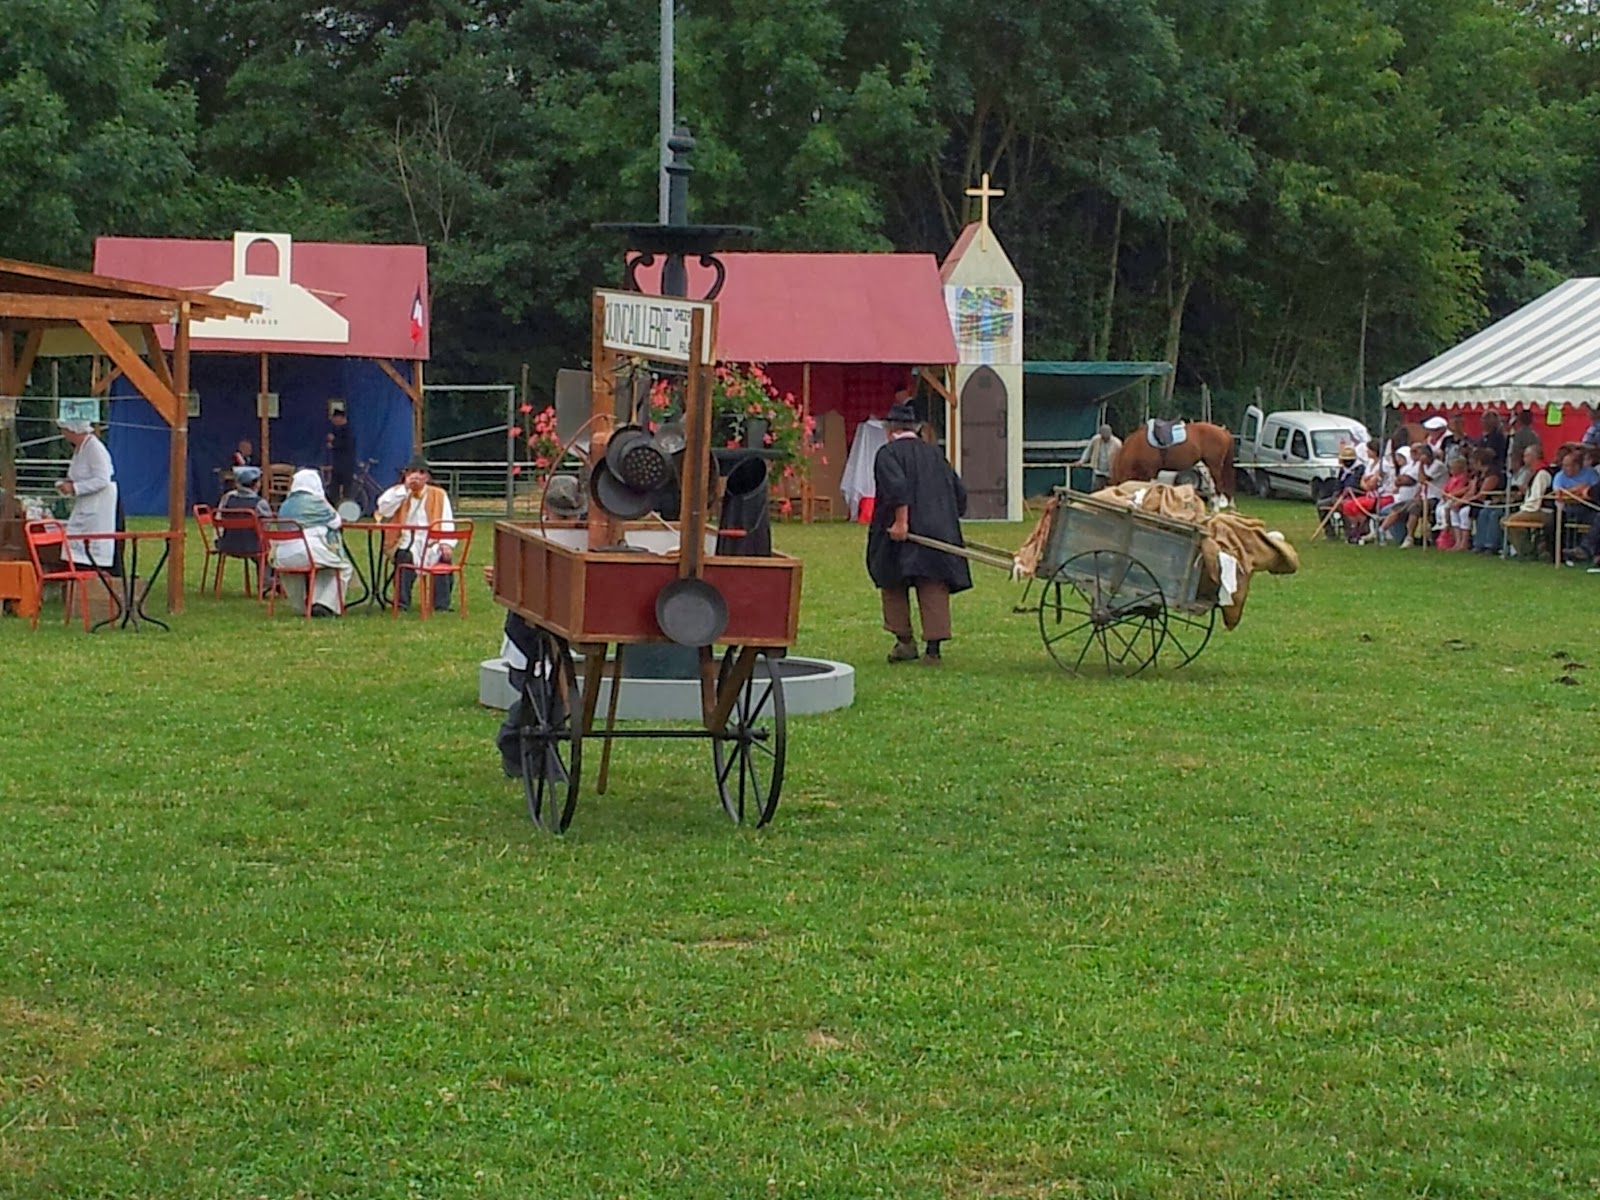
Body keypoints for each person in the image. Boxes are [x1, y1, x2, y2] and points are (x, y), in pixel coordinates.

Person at [865, 400, 972, 666]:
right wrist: (947, 517)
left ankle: (904, 641)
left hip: (899, 531)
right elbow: (959, 492)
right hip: (936, 530)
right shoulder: (934, 454)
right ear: (916, 428)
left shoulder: (888, 454)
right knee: (933, 581)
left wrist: (901, 523)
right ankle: (933, 650)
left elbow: (897, 488)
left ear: (891, 429)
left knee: (891, 580)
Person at [376, 456, 456, 612]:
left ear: (427, 476)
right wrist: (404, 489)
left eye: (421, 472)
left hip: (432, 540)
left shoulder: (439, 494)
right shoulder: (397, 492)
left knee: (443, 557)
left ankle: (441, 604)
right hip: (404, 540)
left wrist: (446, 543)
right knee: (405, 557)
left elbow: (446, 521)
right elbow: (384, 509)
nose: (417, 476)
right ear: (406, 475)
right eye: (413, 472)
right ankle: (402, 603)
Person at [274, 468, 354, 616]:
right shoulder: (316, 502)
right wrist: (324, 500)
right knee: (344, 567)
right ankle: (325, 604)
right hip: (307, 552)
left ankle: (310, 604)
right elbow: (336, 521)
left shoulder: (285, 504)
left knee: (326, 567)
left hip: (282, 556)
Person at [55, 418, 121, 574]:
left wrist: (75, 487)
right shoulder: (80, 449)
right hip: (87, 503)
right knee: (77, 538)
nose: (63, 434)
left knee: (95, 541)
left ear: (74, 431)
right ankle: (79, 573)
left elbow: (102, 479)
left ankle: (96, 575)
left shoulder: (94, 448)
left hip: (100, 505)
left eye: (65, 430)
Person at [215, 464, 272, 559]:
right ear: (257, 483)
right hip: (253, 547)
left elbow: (219, 519)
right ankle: (266, 573)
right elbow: (266, 527)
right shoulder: (260, 503)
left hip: (226, 545)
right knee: (266, 548)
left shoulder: (227, 498)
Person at [1077, 423, 1122, 492]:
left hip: (1111, 473)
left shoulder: (1117, 444)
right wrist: (1081, 461)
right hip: (1099, 471)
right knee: (1096, 491)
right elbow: (1088, 451)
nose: (1105, 438)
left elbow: (1120, 459)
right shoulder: (1095, 439)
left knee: (1111, 492)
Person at [326, 404, 356, 506]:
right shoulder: (337, 430)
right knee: (334, 488)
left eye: (335, 418)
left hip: (346, 465)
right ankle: (333, 506)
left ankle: (347, 509)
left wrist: (333, 442)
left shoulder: (348, 430)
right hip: (337, 465)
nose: (334, 421)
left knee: (347, 490)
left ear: (341, 418)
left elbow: (346, 444)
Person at [1507, 409, 1541, 473]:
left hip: (1520, 467)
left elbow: (1516, 452)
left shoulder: (1519, 434)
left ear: (1520, 420)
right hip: (1533, 467)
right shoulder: (1536, 435)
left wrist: (1514, 466)